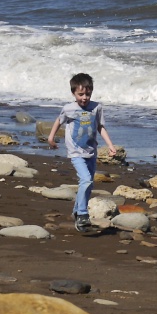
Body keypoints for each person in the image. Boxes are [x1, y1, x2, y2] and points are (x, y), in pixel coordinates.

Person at [46, 72, 117, 233]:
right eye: (81, 94)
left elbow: (100, 127)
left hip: (91, 151)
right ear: (73, 93)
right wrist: (51, 138)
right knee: (85, 180)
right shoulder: (69, 109)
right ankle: (83, 214)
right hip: (76, 152)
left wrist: (110, 145)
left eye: (87, 94)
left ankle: (77, 212)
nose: (84, 98)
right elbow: (59, 121)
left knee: (88, 184)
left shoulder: (96, 107)